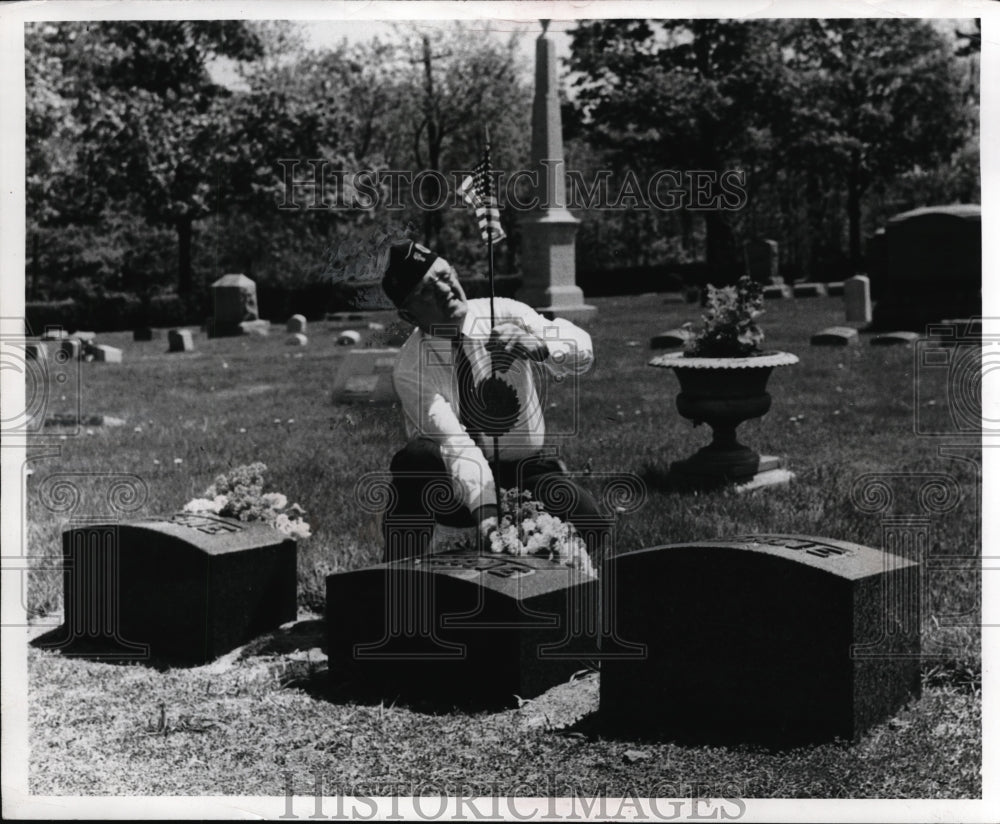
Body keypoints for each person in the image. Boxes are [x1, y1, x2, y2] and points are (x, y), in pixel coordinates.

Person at [380, 239, 610, 562]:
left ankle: (531, 583)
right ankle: (397, 581)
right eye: (425, 291)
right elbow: (456, 447)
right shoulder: (410, 367)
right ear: (408, 315)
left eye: (446, 276)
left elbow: (582, 350)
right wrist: (490, 524)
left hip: (525, 472)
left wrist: (540, 344)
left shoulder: (503, 311)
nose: (445, 290)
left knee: (590, 525)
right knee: (416, 460)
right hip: (453, 486)